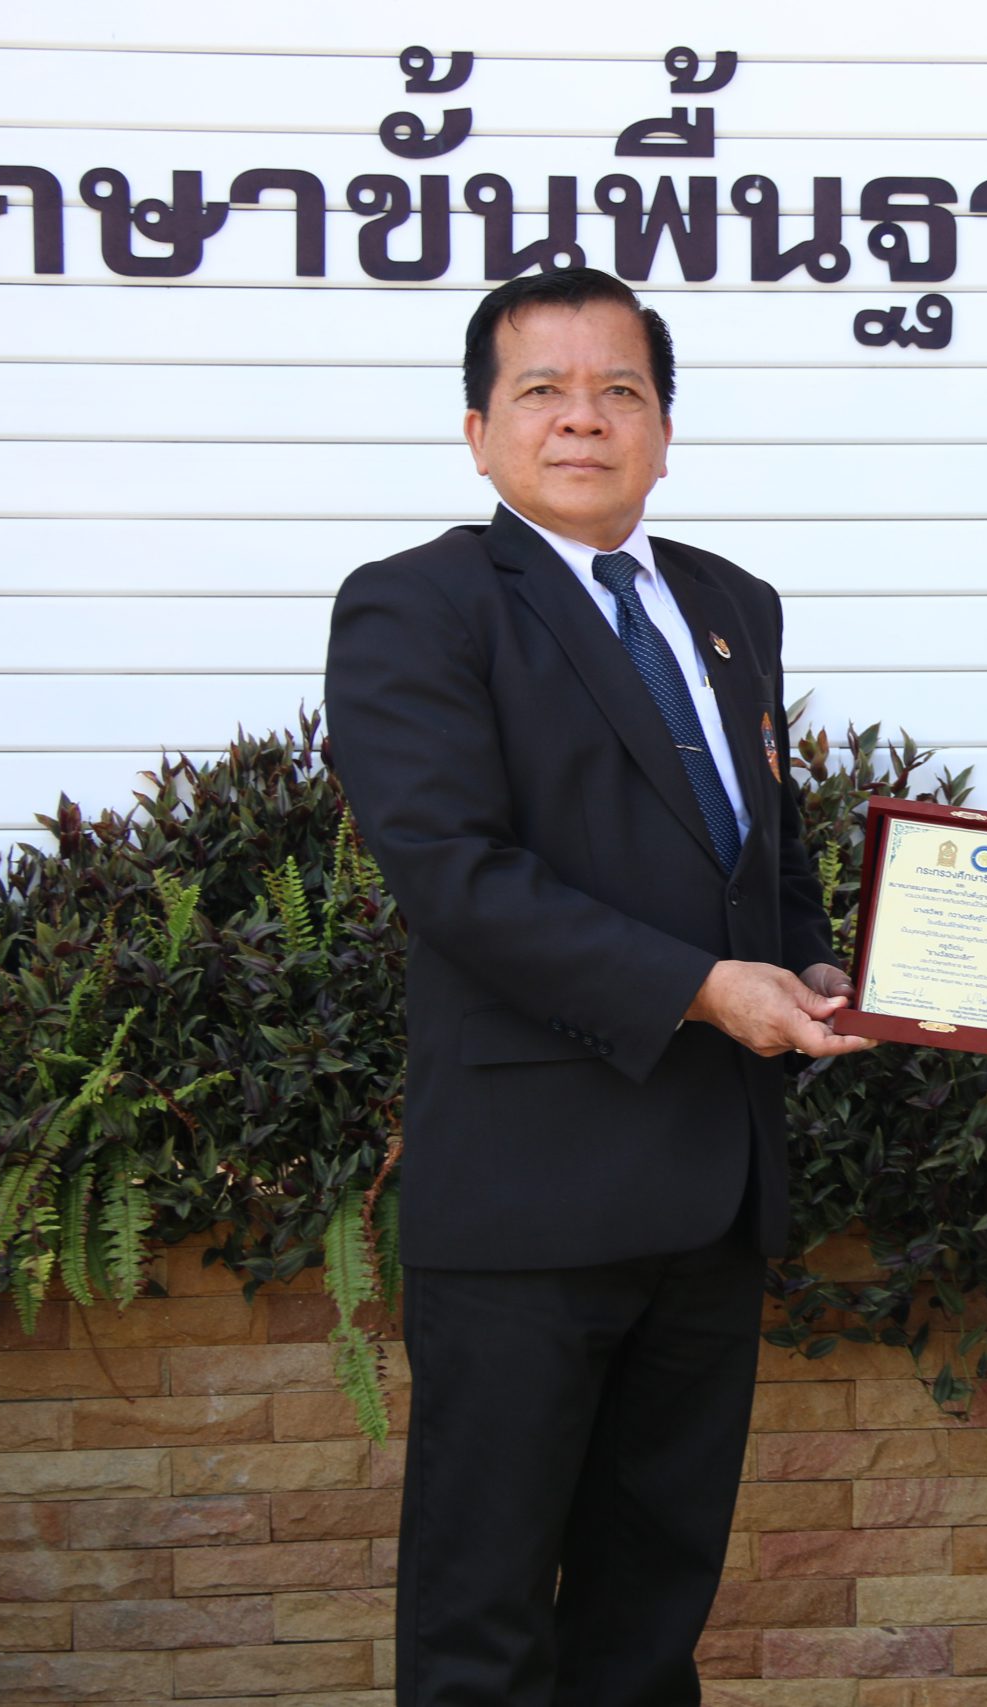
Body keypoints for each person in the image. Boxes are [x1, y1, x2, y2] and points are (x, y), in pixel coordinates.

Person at [323, 265, 871, 1706]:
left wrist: (815, 962)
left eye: (620, 389)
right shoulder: (417, 606)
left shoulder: (732, 604)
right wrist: (702, 987)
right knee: (486, 1622)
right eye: (544, 391)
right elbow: (455, 874)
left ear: (664, 432)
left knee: (647, 1620)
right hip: (531, 1198)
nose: (584, 418)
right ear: (478, 431)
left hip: (711, 1192)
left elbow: (763, 851)